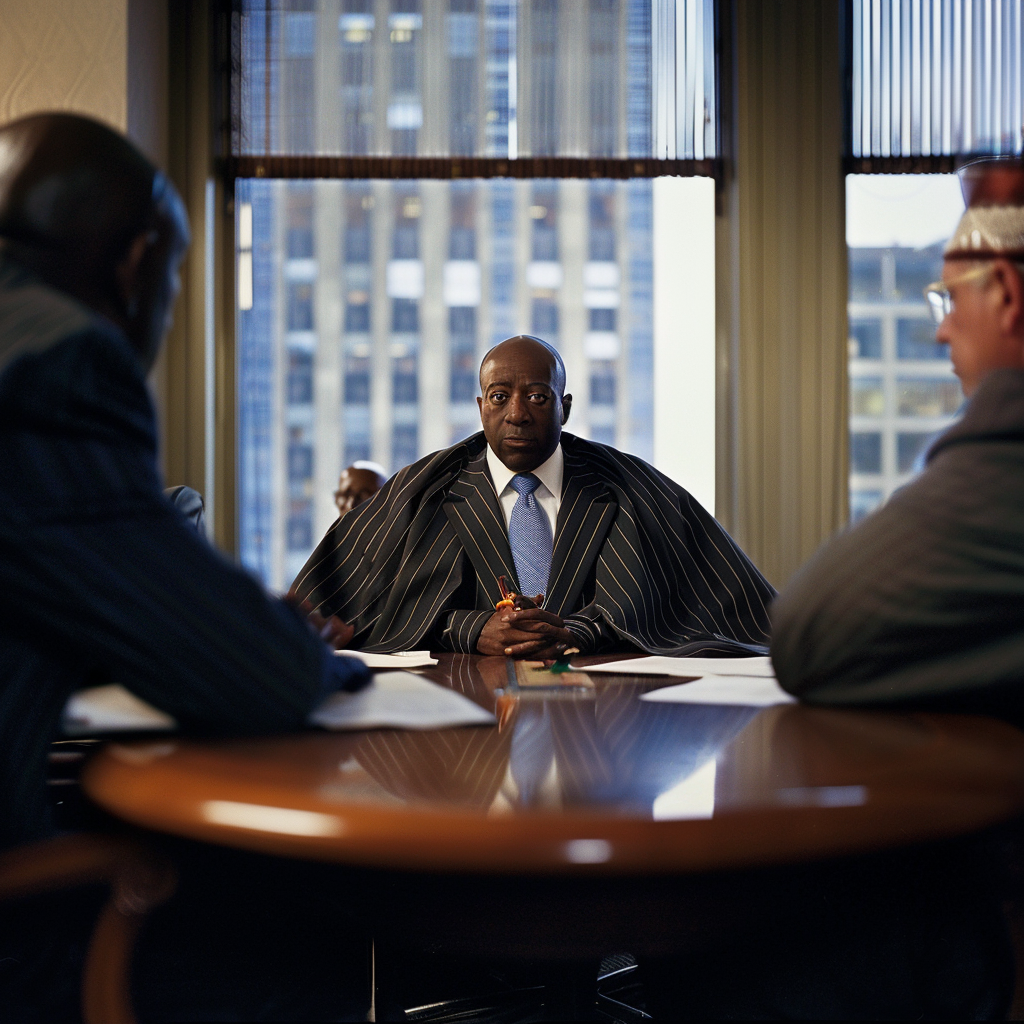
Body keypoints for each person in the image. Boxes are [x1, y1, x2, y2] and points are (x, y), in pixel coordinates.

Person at [0, 112, 369, 1021]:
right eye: (172, 275)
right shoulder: (53, 361)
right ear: (134, 267)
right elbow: (262, 676)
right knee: (307, 926)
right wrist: (306, 648)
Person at [294, 335, 775, 658]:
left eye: (538, 397)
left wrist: (575, 632)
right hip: (465, 727)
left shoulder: (630, 487)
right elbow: (347, 612)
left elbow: (711, 608)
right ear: (480, 407)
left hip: (602, 718)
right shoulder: (424, 490)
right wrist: (470, 628)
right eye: (500, 396)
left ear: (565, 407)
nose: (518, 414)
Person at [771, 157, 1024, 722]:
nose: (941, 330)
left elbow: (809, 634)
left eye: (951, 297)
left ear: (1006, 293)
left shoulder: (1007, 444)